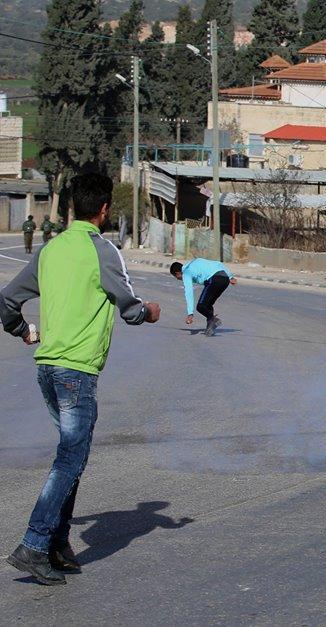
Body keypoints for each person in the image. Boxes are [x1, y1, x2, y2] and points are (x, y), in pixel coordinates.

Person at [0, 172, 161, 585]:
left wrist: (22, 330)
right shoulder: (103, 251)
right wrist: (150, 311)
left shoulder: (50, 249)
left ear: (72, 206)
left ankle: (58, 543)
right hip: (76, 371)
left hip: (47, 368)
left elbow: (7, 302)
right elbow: (130, 309)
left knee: (72, 454)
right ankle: (35, 544)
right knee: (71, 458)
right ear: (104, 210)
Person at [170, 258, 237, 337]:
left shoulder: (186, 273)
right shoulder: (194, 261)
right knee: (208, 305)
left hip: (214, 279)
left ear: (177, 273)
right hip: (224, 279)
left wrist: (190, 313)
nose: (178, 279)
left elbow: (189, 292)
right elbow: (218, 264)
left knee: (200, 306)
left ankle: (213, 319)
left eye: (176, 277)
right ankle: (210, 328)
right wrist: (230, 277)